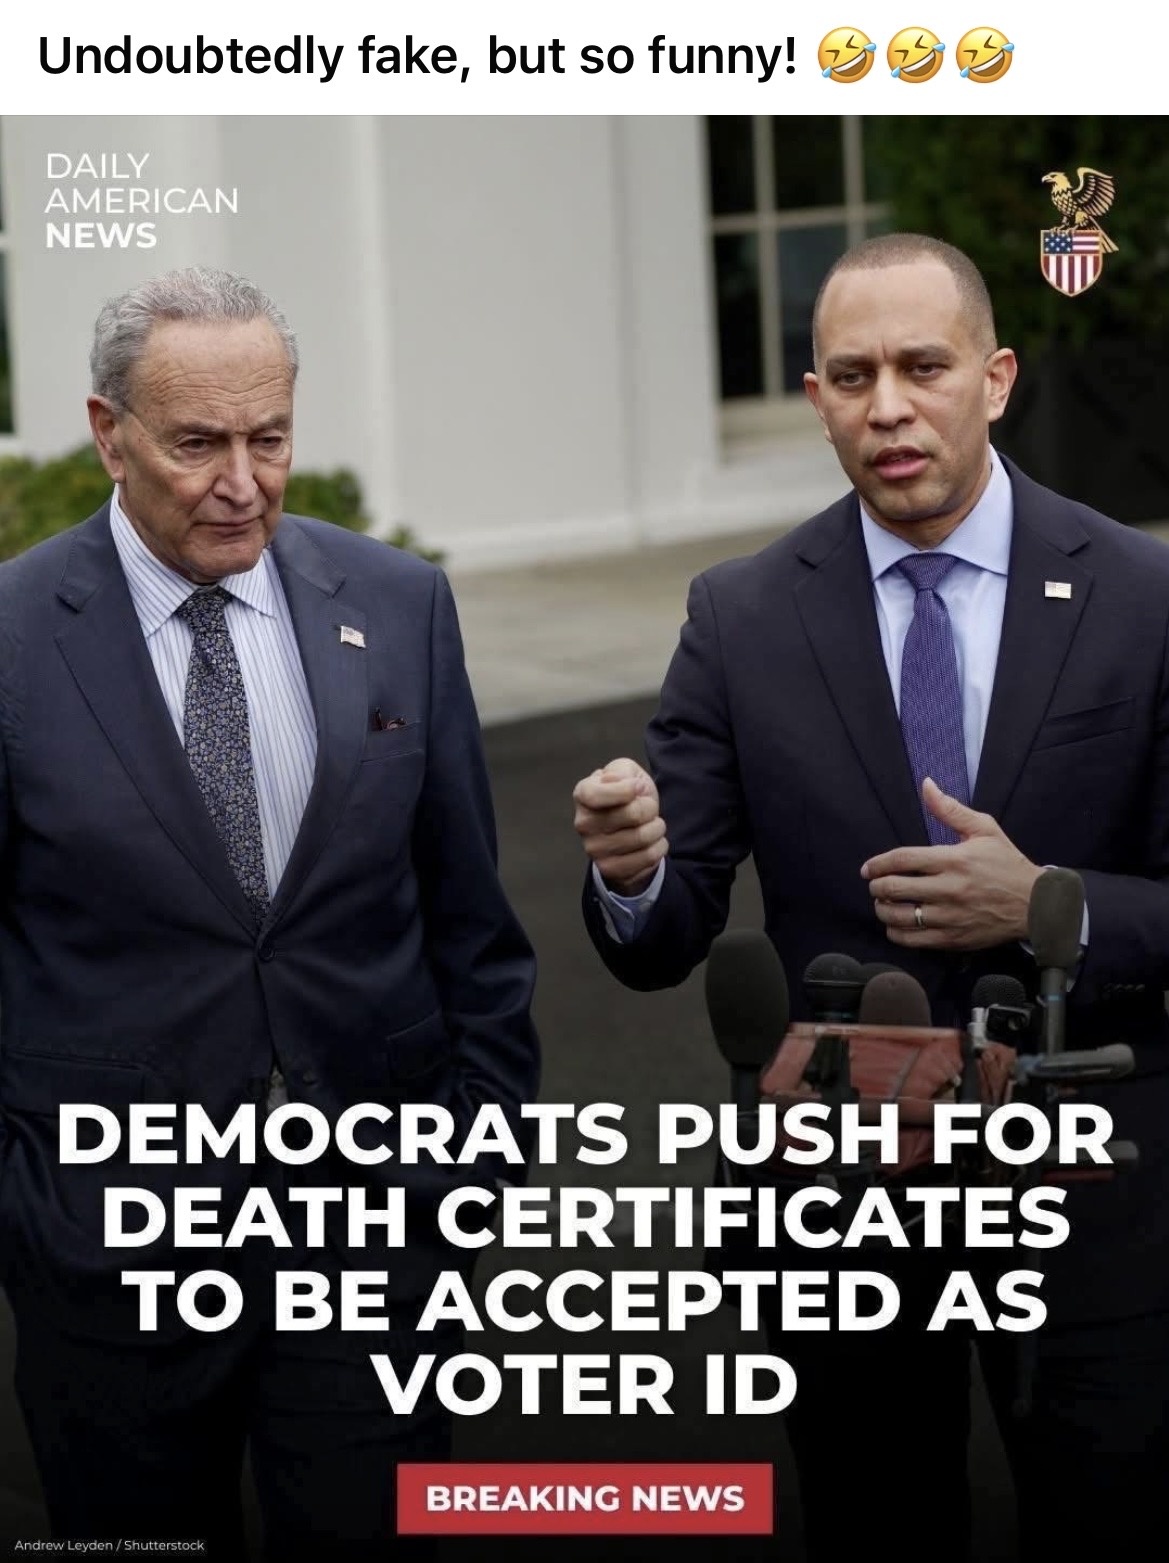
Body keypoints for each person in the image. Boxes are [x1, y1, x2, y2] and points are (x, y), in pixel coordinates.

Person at [573, 232, 1169, 1561]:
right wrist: (632, 869)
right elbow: (665, 929)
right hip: (838, 1201)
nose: (887, 406)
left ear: (996, 379)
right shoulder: (740, 616)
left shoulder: (1142, 597)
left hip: (1095, 1194)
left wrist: (1048, 903)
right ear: (816, 399)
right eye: (852, 376)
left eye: (922, 367)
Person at [0, 267, 539, 1560]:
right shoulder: (13, 639)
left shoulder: (398, 605)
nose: (243, 483)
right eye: (197, 445)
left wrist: (470, 1172)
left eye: (271, 439)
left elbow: (470, 919)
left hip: (375, 1240)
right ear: (108, 433)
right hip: (109, 1255)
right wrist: (30, 1212)